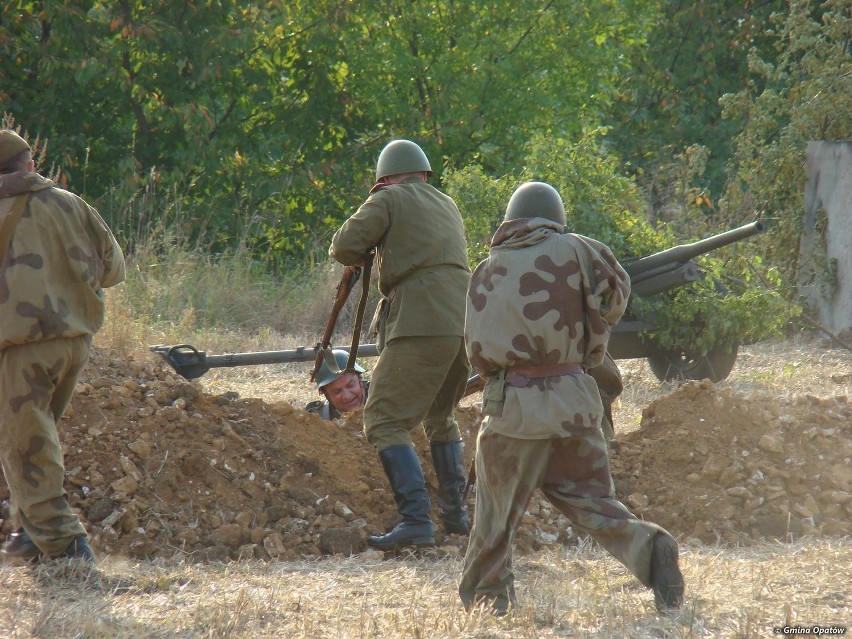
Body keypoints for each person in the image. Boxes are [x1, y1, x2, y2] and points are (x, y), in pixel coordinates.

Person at [459, 181, 684, 615]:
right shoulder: (583, 249)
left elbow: (476, 351)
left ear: (512, 220)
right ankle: (650, 547)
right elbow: (616, 301)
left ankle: (490, 601)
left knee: (496, 515)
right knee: (592, 501)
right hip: (577, 402)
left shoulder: (485, 271)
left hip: (514, 413)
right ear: (555, 218)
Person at [329, 139, 471, 549]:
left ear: (385, 179)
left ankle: (415, 522)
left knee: (385, 420)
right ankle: (456, 518)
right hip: (463, 321)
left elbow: (344, 247)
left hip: (421, 318)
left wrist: (378, 202)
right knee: (441, 417)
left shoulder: (389, 198)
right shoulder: (447, 204)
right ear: (425, 174)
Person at [0, 129, 126, 564]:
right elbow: (113, 270)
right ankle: (28, 534)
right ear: (29, 165)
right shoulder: (73, 204)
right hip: (74, 344)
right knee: (31, 439)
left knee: (24, 445)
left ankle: (66, 545)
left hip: (20, 347)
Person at [305, 349, 369, 420]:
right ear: (327, 395)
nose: (347, 396)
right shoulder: (318, 418)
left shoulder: (381, 399)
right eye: (337, 391)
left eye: (350, 385)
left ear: (360, 380)